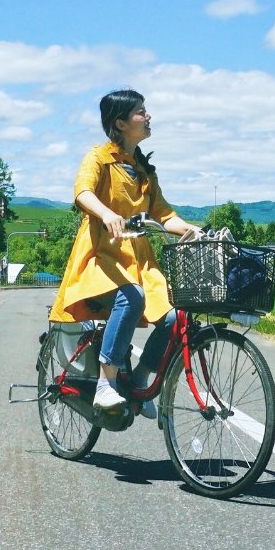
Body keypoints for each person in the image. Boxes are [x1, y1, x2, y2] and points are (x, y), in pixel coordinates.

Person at [48, 88, 200, 411]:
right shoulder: (99, 157)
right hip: (101, 259)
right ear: (120, 122)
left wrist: (194, 230)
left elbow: (165, 215)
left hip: (140, 264)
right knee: (131, 297)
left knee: (176, 318)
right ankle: (106, 382)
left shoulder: (144, 171)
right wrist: (106, 213)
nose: (148, 116)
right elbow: (82, 192)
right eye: (140, 112)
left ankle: (140, 378)